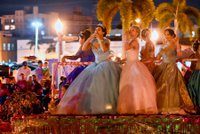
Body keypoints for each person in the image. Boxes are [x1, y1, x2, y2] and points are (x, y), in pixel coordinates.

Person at [56, 24, 121, 114]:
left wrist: (99, 39)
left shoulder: (106, 41)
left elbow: (105, 50)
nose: (97, 31)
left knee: (107, 87)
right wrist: (90, 38)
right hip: (96, 65)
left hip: (106, 64)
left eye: (99, 30)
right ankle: (95, 107)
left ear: (103, 32)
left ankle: (108, 107)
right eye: (96, 30)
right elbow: (83, 48)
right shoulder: (92, 41)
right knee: (93, 86)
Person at [117, 25, 157, 114]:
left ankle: (137, 106)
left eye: (133, 30)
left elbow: (127, 48)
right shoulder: (131, 41)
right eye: (130, 30)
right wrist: (121, 60)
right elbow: (129, 54)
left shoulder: (134, 41)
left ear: (137, 33)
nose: (131, 31)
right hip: (129, 64)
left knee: (135, 85)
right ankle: (128, 106)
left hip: (134, 65)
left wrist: (125, 38)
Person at [154, 28, 194, 114]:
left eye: (168, 34)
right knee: (162, 87)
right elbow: (157, 57)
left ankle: (173, 107)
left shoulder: (175, 44)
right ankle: (163, 107)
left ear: (172, 35)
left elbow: (179, 55)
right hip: (162, 67)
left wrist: (177, 44)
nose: (166, 36)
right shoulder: (163, 46)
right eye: (165, 34)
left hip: (172, 68)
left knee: (172, 87)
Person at [187, 40, 200, 113]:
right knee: (191, 85)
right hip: (195, 74)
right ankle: (196, 105)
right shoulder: (194, 55)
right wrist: (187, 68)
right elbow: (190, 65)